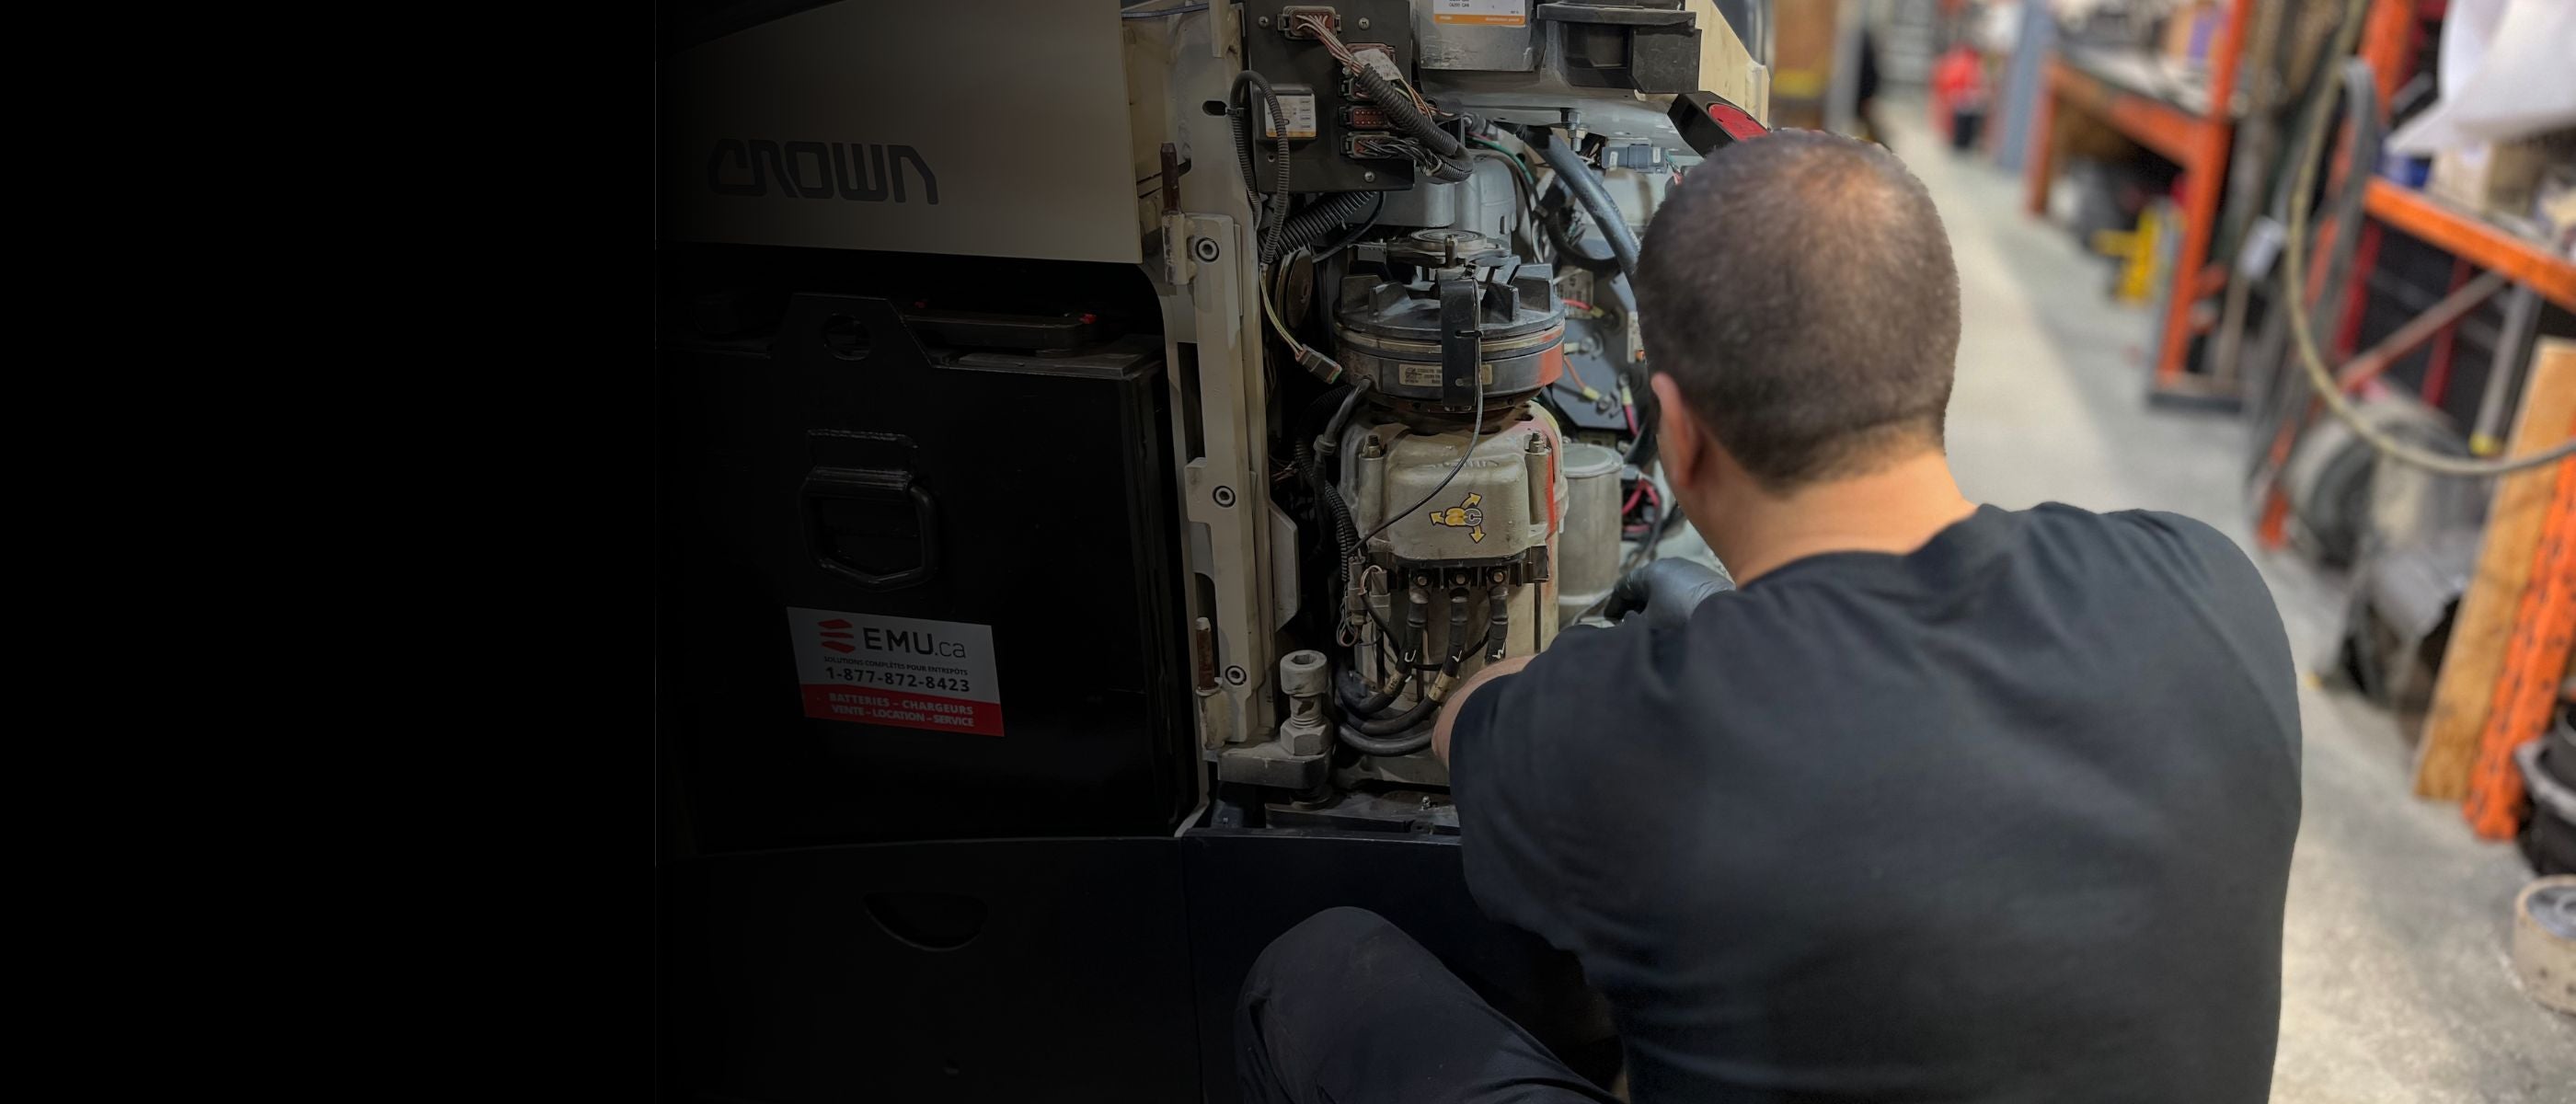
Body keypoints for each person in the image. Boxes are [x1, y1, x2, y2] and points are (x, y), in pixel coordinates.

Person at [1236, 131, 2301, 1103]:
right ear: (1931, 367)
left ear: (1678, 432)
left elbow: (1461, 721)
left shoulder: (1631, 730)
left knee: (1318, 975)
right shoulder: (2211, 587)